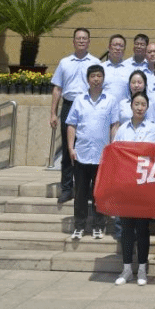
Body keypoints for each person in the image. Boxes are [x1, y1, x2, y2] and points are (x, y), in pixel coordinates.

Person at [110, 90, 155, 286]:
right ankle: (127, 269)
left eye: (143, 105)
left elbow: (148, 152)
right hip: (126, 184)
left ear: (147, 107)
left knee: (142, 228)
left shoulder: (152, 128)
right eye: (136, 104)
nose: (139, 108)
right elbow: (116, 152)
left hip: (144, 185)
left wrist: (132, 154)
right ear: (131, 106)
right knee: (127, 229)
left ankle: (142, 269)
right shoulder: (122, 129)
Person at [65, 63, 118, 240]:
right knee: (80, 193)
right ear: (88, 79)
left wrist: (112, 147)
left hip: (102, 156)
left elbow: (114, 125)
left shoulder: (110, 100)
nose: (96, 79)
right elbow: (71, 125)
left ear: (103, 78)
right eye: (93, 76)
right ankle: (79, 226)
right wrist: (71, 148)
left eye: (99, 76)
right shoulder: (79, 100)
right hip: (81, 154)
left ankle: (98, 225)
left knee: (99, 194)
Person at [49, 27, 100, 204]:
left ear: (89, 41)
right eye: (78, 38)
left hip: (88, 106)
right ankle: (66, 188)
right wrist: (53, 113)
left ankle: (86, 189)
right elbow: (57, 89)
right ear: (73, 41)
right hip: (69, 105)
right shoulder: (64, 63)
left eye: (84, 38)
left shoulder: (95, 62)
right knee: (67, 148)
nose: (81, 41)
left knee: (87, 148)